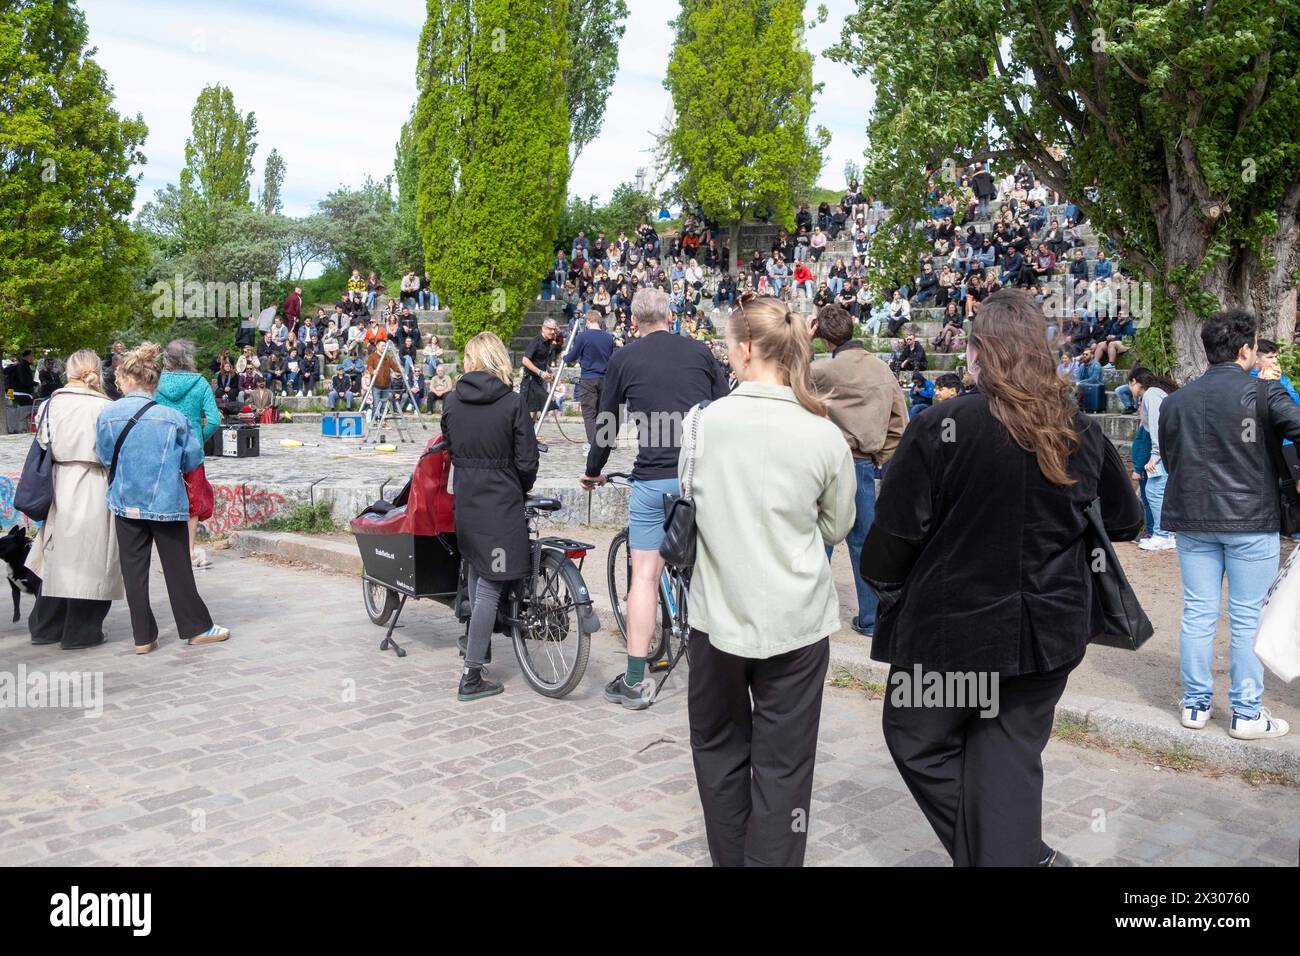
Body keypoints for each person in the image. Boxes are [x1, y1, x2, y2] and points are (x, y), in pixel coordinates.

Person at [860, 289, 1142, 866]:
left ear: (978, 353)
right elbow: (1124, 518)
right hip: (1047, 630)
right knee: (1004, 756)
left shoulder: (944, 424)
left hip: (957, 633)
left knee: (921, 737)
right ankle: (1020, 854)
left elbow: (894, 537)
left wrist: (891, 586)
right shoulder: (1076, 430)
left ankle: (1015, 855)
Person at [685, 294, 855, 867]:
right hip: (796, 619)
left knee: (718, 752)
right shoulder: (822, 431)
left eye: (730, 346)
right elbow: (838, 522)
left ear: (749, 348)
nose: (727, 356)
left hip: (717, 617)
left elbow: (690, 504)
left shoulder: (703, 425)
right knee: (784, 768)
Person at [581, 287, 730, 709]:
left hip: (653, 478)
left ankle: (633, 681)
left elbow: (607, 426)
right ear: (671, 315)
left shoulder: (624, 358)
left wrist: (593, 471)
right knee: (710, 570)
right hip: (701, 479)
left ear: (634, 321)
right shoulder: (700, 352)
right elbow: (725, 408)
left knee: (644, 575)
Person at [1159, 311, 1300, 740]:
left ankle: (1196, 705)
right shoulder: (1265, 393)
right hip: (1250, 521)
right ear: (1245, 349)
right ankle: (1246, 713)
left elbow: (1171, 458)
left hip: (1193, 519)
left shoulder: (1176, 400)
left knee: (1198, 614)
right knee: (1246, 619)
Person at [94, 343, 230, 654]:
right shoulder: (173, 418)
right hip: (166, 501)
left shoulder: (108, 415)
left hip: (125, 500)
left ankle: (143, 636)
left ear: (125, 379)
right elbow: (192, 459)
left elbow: (103, 455)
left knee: (134, 571)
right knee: (177, 567)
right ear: (154, 381)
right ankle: (196, 627)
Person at [440, 332, 539, 701]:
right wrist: (519, 485)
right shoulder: (513, 403)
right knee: (490, 588)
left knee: (480, 573)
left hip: (467, 503)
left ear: (470, 360)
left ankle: (476, 646)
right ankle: (471, 676)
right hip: (501, 504)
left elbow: (450, 448)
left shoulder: (451, 401)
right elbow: (527, 462)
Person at [809, 304, 907, 638]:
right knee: (864, 542)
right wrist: (880, 456)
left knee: (816, 538)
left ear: (823, 338)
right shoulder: (882, 370)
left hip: (825, 462)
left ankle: (809, 615)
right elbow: (899, 422)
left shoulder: (821, 370)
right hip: (863, 462)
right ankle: (870, 619)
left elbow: (787, 387)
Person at [26, 350, 122, 650]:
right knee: (93, 558)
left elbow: (43, 442)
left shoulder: (52, 403)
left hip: (61, 481)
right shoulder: (107, 407)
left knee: (57, 555)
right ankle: (81, 631)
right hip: (96, 481)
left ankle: (46, 626)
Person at [154, 340, 222, 569]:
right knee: (192, 503)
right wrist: (199, 438)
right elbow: (214, 419)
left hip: (163, 450)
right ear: (189, 357)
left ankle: (168, 555)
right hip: (192, 452)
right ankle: (189, 551)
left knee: (166, 501)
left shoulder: (156, 382)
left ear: (166, 358)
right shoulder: (200, 382)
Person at [1128, 367, 1175, 550]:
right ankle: (1165, 533)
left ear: (1134, 382)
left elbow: (1156, 424)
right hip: (1164, 450)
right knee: (1157, 491)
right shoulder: (1155, 393)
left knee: (1155, 491)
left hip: (1161, 452)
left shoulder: (1151, 395)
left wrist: (1155, 455)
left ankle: (1162, 534)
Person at [563, 310, 615, 451]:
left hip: (589, 378)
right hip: (605, 378)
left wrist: (564, 357)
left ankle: (593, 443)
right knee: (602, 411)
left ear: (588, 322)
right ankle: (607, 440)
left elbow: (573, 356)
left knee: (588, 412)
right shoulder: (609, 337)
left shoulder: (583, 337)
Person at [520, 318, 561, 422]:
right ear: (543, 328)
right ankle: (525, 436)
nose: (552, 332)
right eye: (550, 329)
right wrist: (540, 372)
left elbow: (541, 362)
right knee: (529, 411)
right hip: (529, 381)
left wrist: (548, 374)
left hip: (538, 381)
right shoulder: (536, 341)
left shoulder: (549, 343)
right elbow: (525, 360)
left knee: (536, 410)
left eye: (554, 329)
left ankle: (531, 436)